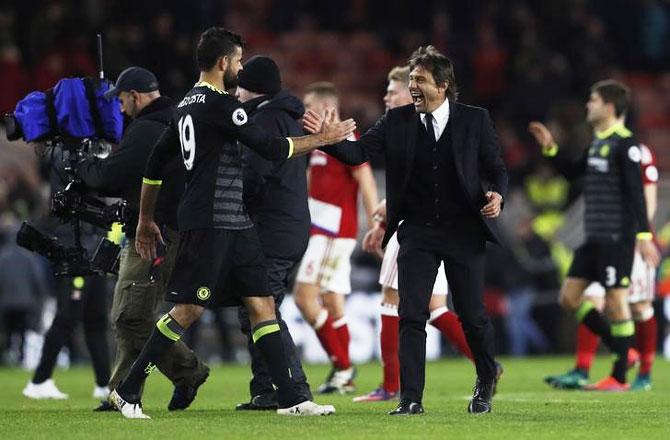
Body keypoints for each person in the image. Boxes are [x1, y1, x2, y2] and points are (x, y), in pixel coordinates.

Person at [109, 27, 355, 419]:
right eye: (238, 61)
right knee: (187, 311)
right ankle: (128, 390)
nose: (240, 67)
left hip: (233, 222)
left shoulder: (186, 104)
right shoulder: (221, 105)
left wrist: (144, 218)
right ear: (224, 62)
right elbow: (271, 148)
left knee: (262, 305)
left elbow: (155, 163)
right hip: (210, 221)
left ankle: (292, 398)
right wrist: (322, 139)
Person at [309, 45, 507, 415]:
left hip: (463, 231)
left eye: (419, 80)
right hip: (417, 231)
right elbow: (358, 154)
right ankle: (410, 398)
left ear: (443, 85)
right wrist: (329, 139)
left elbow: (496, 168)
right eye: (411, 79)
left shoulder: (474, 120)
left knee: (472, 315)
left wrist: (497, 194)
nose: (412, 86)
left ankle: (484, 379)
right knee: (411, 314)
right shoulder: (396, 121)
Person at [77, 66, 210, 411]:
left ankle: (188, 372)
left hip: (154, 233)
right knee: (130, 312)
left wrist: (82, 164)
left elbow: (109, 177)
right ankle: (121, 390)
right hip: (175, 227)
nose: (120, 109)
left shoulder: (148, 129)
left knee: (130, 316)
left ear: (135, 96)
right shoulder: (178, 120)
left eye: (121, 101)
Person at [355, 66, 480, 403]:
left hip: (418, 229)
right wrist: (381, 222)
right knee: (436, 307)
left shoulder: (414, 124)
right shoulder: (407, 126)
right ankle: (487, 363)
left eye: (392, 91)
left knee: (391, 301)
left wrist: (385, 213)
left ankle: (391, 386)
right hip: (427, 227)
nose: (387, 96)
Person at [528, 79, 660, 391]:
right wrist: (550, 148)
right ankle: (622, 350)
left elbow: (635, 194)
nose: (588, 105)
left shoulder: (626, 146)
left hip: (617, 238)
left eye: (593, 100)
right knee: (569, 298)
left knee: (616, 302)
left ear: (609, 107)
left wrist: (643, 235)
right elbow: (572, 171)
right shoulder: (599, 143)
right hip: (593, 238)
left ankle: (619, 376)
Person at [231, 55, 313, 410]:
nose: (235, 94)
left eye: (240, 87)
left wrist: (228, 196)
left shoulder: (266, 121)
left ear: (253, 89)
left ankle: (293, 386)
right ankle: (265, 389)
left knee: (264, 309)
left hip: (273, 228)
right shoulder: (287, 117)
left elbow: (253, 177)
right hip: (288, 225)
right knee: (255, 308)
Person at [293, 82, 378, 395]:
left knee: (304, 297)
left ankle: (343, 366)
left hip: (331, 230)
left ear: (325, 107)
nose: (304, 111)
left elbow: (365, 178)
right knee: (332, 302)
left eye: (308, 105)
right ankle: (344, 374)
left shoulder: (345, 138)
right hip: (321, 228)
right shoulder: (320, 143)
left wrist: (374, 222)